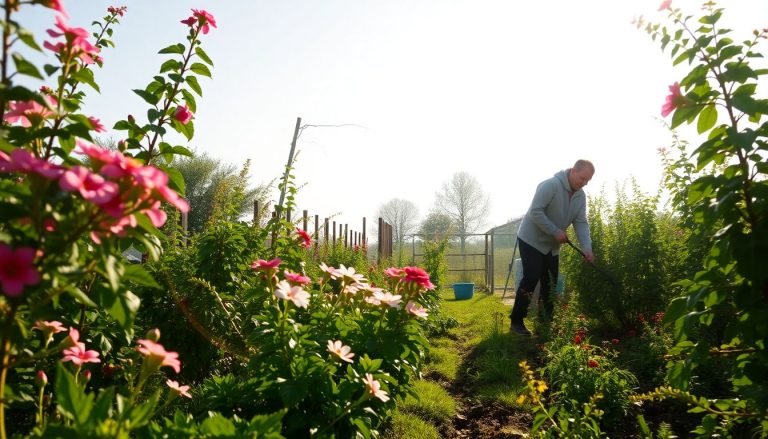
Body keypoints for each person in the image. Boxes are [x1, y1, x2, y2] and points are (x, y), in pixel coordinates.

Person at [510, 159, 595, 336]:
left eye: (587, 181)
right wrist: (555, 231)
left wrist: (587, 248)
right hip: (531, 239)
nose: (584, 183)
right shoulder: (551, 185)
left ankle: (545, 323)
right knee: (531, 277)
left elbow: (580, 222)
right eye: (582, 178)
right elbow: (535, 212)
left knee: (550, 282)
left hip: (552, 245)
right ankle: (516, 322)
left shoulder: (580, 196)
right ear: (572, 171)